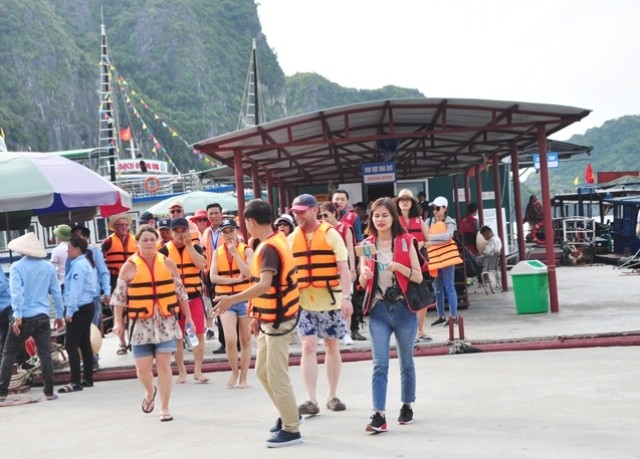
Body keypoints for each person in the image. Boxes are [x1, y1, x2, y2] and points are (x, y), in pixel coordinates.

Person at [213, 199, 302, 448]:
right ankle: (290, 413)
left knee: (276, 374)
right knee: (262, 372)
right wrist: (255, 315)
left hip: (279, 319)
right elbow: (265, 287)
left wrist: (231, 299)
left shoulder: (269, 248)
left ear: (250, 222)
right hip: (267, 317)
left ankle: (292, 428)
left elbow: (263, 285)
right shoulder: (271, 242)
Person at [111, 225, 194, 422]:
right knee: (143, 369)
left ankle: (164, 408)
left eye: (151, 239)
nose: (148, 243)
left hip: (165, 322)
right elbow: (119, 299)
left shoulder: (167, 263)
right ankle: (150, 391)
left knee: (164, 365)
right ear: (137, 243)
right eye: (144, 240)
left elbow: (181, 294)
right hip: (141, 324)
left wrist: (188, 317)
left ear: (157, 241)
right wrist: (117, 323)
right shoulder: (129, 266)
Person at [358, 197, 423, 432]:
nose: (380, 219)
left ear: (394, 217)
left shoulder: (406, 241)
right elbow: (361, 278)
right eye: (376, 216)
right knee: (379, 364)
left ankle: (407, 405)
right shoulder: (366, 244)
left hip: (403, 308)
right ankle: (379, 414)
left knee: (406, 361)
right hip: (378, 309)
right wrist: (364, 273)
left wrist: (400, 268)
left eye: (385, 215)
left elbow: (418, 276)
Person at [289, 194, 353, 415]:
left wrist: (347, 297)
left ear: (314, 210)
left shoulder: (331, 234)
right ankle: (311, 400)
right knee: (307, 346)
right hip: (304, 302)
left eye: (302, 211)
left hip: (331, 300)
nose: (298, 215)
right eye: (295, 212)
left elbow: (343, 267)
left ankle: (332, 395)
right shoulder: (291, 238)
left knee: (331, 346)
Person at [0, 233, 64, 402]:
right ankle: (49, 392)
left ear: (22, 251)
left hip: (24, 317)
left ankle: (1, 393)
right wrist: (59, 314)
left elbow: (17, 294)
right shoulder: (48, 267)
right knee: (45, 354)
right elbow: (56, 292)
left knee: (8, 353)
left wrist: (18, 316)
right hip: (42, 316)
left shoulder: (16, 267)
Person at [159, 217, 208, 384]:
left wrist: (189, 246)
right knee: (178, 337)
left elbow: (202, 265)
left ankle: (198, 370)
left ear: (188, 232)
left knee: (199, 333)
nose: (180, 234)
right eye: (177, 231)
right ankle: (181, 371)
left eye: (183, 231)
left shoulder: (195, 247)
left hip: (194, 296)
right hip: (174, 300)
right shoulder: (164, 251)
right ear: (171, 233)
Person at [209, 217, 253, 388]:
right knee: (229, 340)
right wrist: (234, 281)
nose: (228, 235)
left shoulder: (246, 250)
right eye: (225, 232)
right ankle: (234, 370)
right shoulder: (216, 253)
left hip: (244, 298)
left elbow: (248, 272)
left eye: (231, 231)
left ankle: (244, 375)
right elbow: (213, 277)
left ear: (237, 232)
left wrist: (235, 253)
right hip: (225, 300)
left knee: (245, 339)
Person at [318, 201, 365, 343]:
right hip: (327, 270)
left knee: (346, 299)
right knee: (327, 302)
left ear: (334, 213)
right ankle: (327, 332)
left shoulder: (345, 228)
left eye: (326, 214)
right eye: (321, 215)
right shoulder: (321, 229)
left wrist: (352, 269)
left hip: (343, 268)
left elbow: (351, 249)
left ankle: (346, 332)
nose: (323, 218)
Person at [58, 236, 98, 393]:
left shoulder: (79, 266)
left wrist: (70, 312)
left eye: (69, 247)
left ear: (77, 249)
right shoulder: (83, 263)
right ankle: (87, 378)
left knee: (71, 345)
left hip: (79, 308)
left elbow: (75, 291)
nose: (67, 250)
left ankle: (75, 381)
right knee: (84, 343)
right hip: (86, 306)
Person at [71, 225, 111, 370]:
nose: (77, 239)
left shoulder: (94, 251)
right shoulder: (71, 254)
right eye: (75, 236)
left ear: (87, 237)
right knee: (78, 330)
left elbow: (104, 272)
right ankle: (85, 359)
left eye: (80, 236)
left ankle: (93, 359)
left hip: (92, 297)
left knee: (91, 328)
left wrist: (107, 291)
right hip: (76, 299)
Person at [394, 189, 431, 342]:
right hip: (402, 263)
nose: (404, 202)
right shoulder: (394, 221)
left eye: (408, 199)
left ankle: (421, 330)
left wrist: (422, 243)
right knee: (403, 298)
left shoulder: (420, 221)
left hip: (421, 262)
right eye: (402, 199)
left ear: (412, 203)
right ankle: (409, 332)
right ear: (397, 203)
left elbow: (429, 241)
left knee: (422, 297)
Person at [425, 197, 463, 327]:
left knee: (449, 286)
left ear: (445, 208)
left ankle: (454, 317)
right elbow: (442, 238)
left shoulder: (450, 221)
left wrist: (430, 239)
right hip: (434, 259)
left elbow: (448, 237)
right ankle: (441, 316)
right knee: (438, 289)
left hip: (447, 259)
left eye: (437, 208)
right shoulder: (428, 221)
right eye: (433, 208)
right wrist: (437, 240)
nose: (434, 211)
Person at [102, 213, 137, 355]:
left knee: (135, 311)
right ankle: (122, 343)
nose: (123, 227)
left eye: (125, 225)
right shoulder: (108, 242)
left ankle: (134, 341)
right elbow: (100, 263)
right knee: (119, 312)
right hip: (114, 279)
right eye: (120, 225)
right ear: (114, 228)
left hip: (133, 279)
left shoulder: (135, 240)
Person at [201, 202, 224, 345]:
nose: (214, 216)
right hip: (210, 276)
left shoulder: (228, 230)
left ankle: (228, 341)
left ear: (221, 214)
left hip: (225, 275)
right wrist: (204, 279)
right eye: (211, 213)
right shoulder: (206, 233)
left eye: (216, 213)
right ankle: (224, 341)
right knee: (216, 308)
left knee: (225, 308)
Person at [51, 224, 72, 289]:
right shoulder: (75, 248)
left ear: (59, 237)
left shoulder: (56, 250)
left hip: (62, 282)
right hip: (74, 281)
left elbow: (52, 269)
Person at [0, 270, 12, 359]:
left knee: (17, 331)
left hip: (8, 304)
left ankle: (22, 361)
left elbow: (2, 285)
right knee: (2, 336)